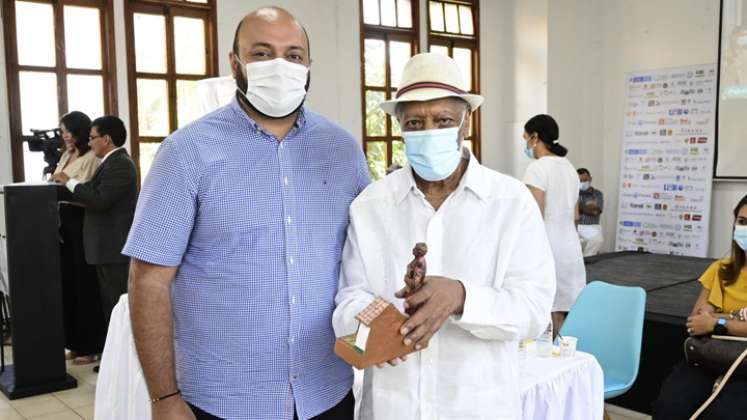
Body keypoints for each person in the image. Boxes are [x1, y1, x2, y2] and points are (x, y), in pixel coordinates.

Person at [124, 7, 369, 420]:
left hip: (325, 391)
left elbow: (366, 257)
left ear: (309, 65)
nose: (280, 66)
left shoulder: (343, 150)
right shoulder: (187, 153)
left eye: (293, 55)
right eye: (261, 53)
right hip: (224, 400)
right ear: (234, 63)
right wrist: (164, 399)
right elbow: (149, 280)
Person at [333, 53, 556, 420]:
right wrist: (381, 323)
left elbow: (533, 310)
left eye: (443, 120)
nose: (428, 131)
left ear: (465, 122)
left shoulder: (510, 203)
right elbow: (348, 299)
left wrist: (461, 297)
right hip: (392, 407)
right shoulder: (371, 205)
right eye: (416, 122)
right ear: (399, 126)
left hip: (478, 407)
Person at [52, 115, 138, 373]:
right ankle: (115, 359)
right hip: (103, 248)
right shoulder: (109, 163)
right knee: (108, 306)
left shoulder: (121, 164)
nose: (89, 143)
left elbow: (99, 200)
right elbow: (92, 192)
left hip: (113, 247)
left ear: (106, 139)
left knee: (117, 305)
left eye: (91, 138)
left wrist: (69, 180)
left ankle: (126, 361)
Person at [653, 195, 747, 420]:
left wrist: (717, 321)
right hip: (710, 356)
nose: (745, 227)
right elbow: (696, 322)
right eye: (742, 221)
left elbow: (708, 321)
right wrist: (737, 320)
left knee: (724, 415)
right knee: (669, 406)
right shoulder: (721, 269)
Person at [521, 114, 586, 334]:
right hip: (570, 248)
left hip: (547, 247)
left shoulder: (537, 169)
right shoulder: (569, 168)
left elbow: (534, 216)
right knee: (563, 311)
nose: (525, 143)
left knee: (544, 310)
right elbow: (576, 215)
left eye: (526, 137)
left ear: (535, 137)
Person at [54, 111, 107, 366]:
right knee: (69, 284)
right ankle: (74, 342)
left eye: (68, 130)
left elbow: (89, 192)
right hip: (62, 224)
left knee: (85, 286)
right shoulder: (65, 155)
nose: (64, 135)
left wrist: (66, 182)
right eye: (62, 130)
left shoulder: (91, 159)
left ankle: (91, 345)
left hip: (81, 224)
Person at [576, 168, 604, 256]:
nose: (583, 183)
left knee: (598, 239)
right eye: (580, 180)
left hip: (592, 226)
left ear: (590, 179)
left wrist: (578, 206)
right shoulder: (573, 193)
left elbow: (595, 212)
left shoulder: (597, 194)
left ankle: (587, 260)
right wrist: (588, 207)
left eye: (585, 180)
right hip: (575, 226)